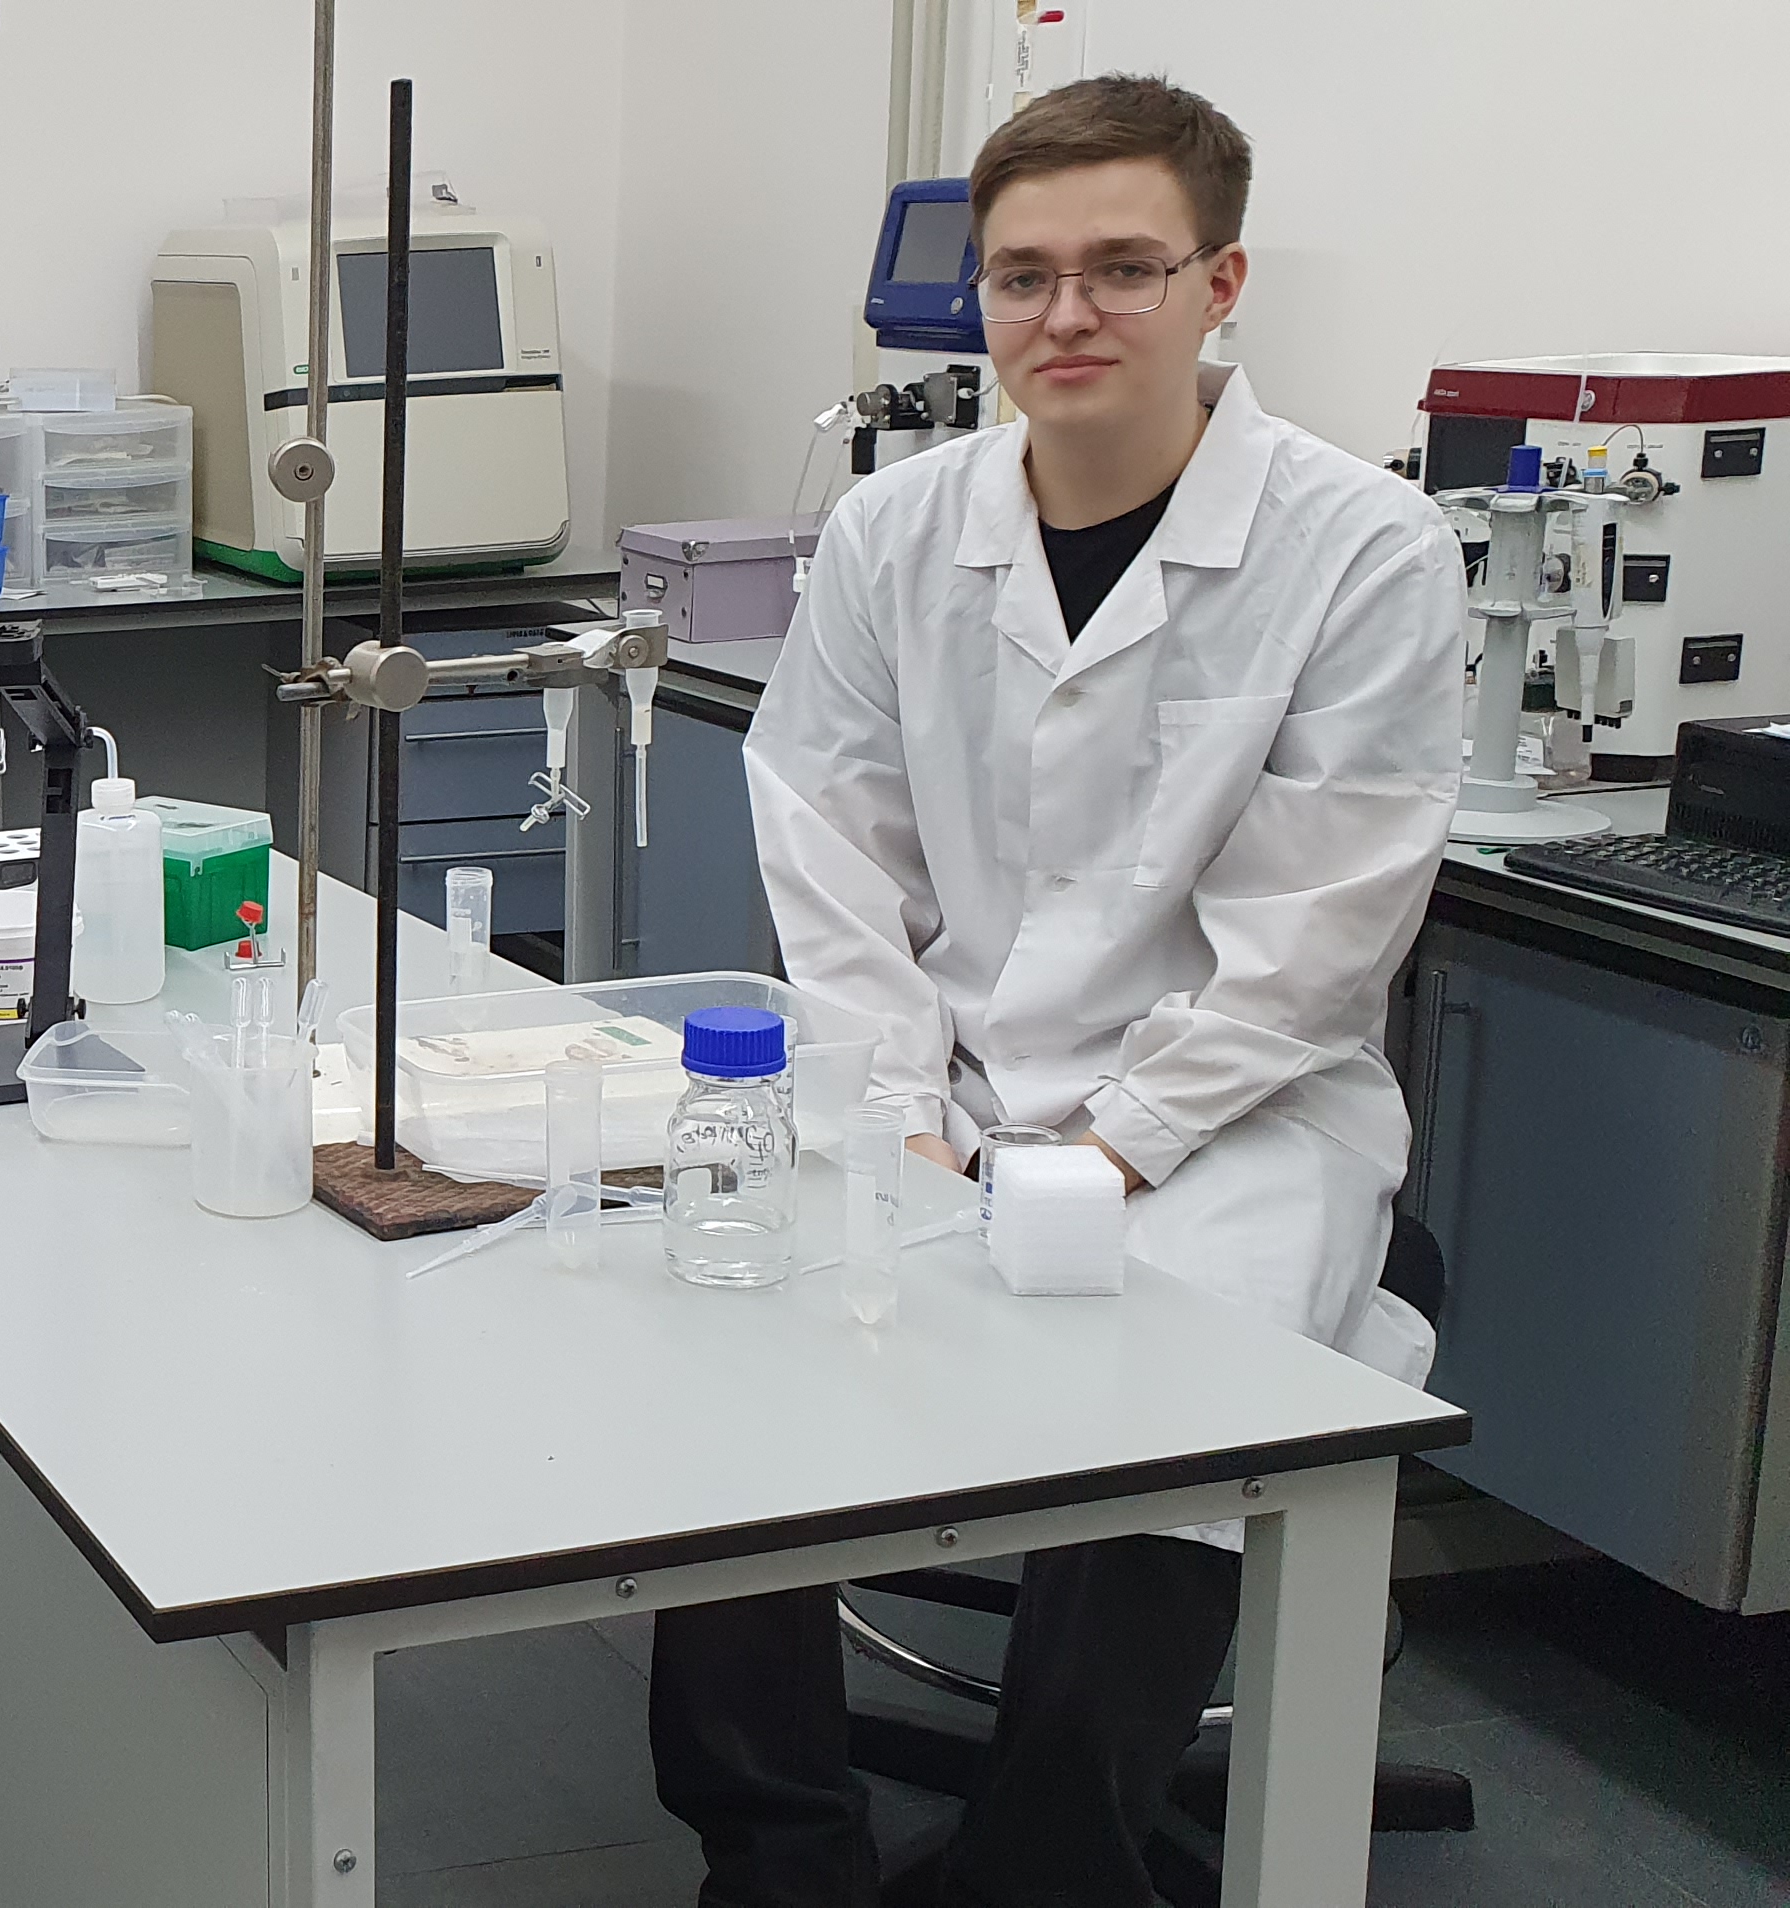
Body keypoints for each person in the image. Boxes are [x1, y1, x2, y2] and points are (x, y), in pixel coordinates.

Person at [651, 76, 1463, 1908]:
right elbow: (832, 850)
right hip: (931, 1075)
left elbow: (1320, 927)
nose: (1065, 314)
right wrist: (901, 1114)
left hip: (1238, 1111)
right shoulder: (893, 531)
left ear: (1218, 281)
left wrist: (1111, 1145)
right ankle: (776, 1855)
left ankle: (1045, 1862)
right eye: (1023, 276)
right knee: (727, 1346)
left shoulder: (1359, 545)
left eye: (1122, 268)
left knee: (1172, 1412)